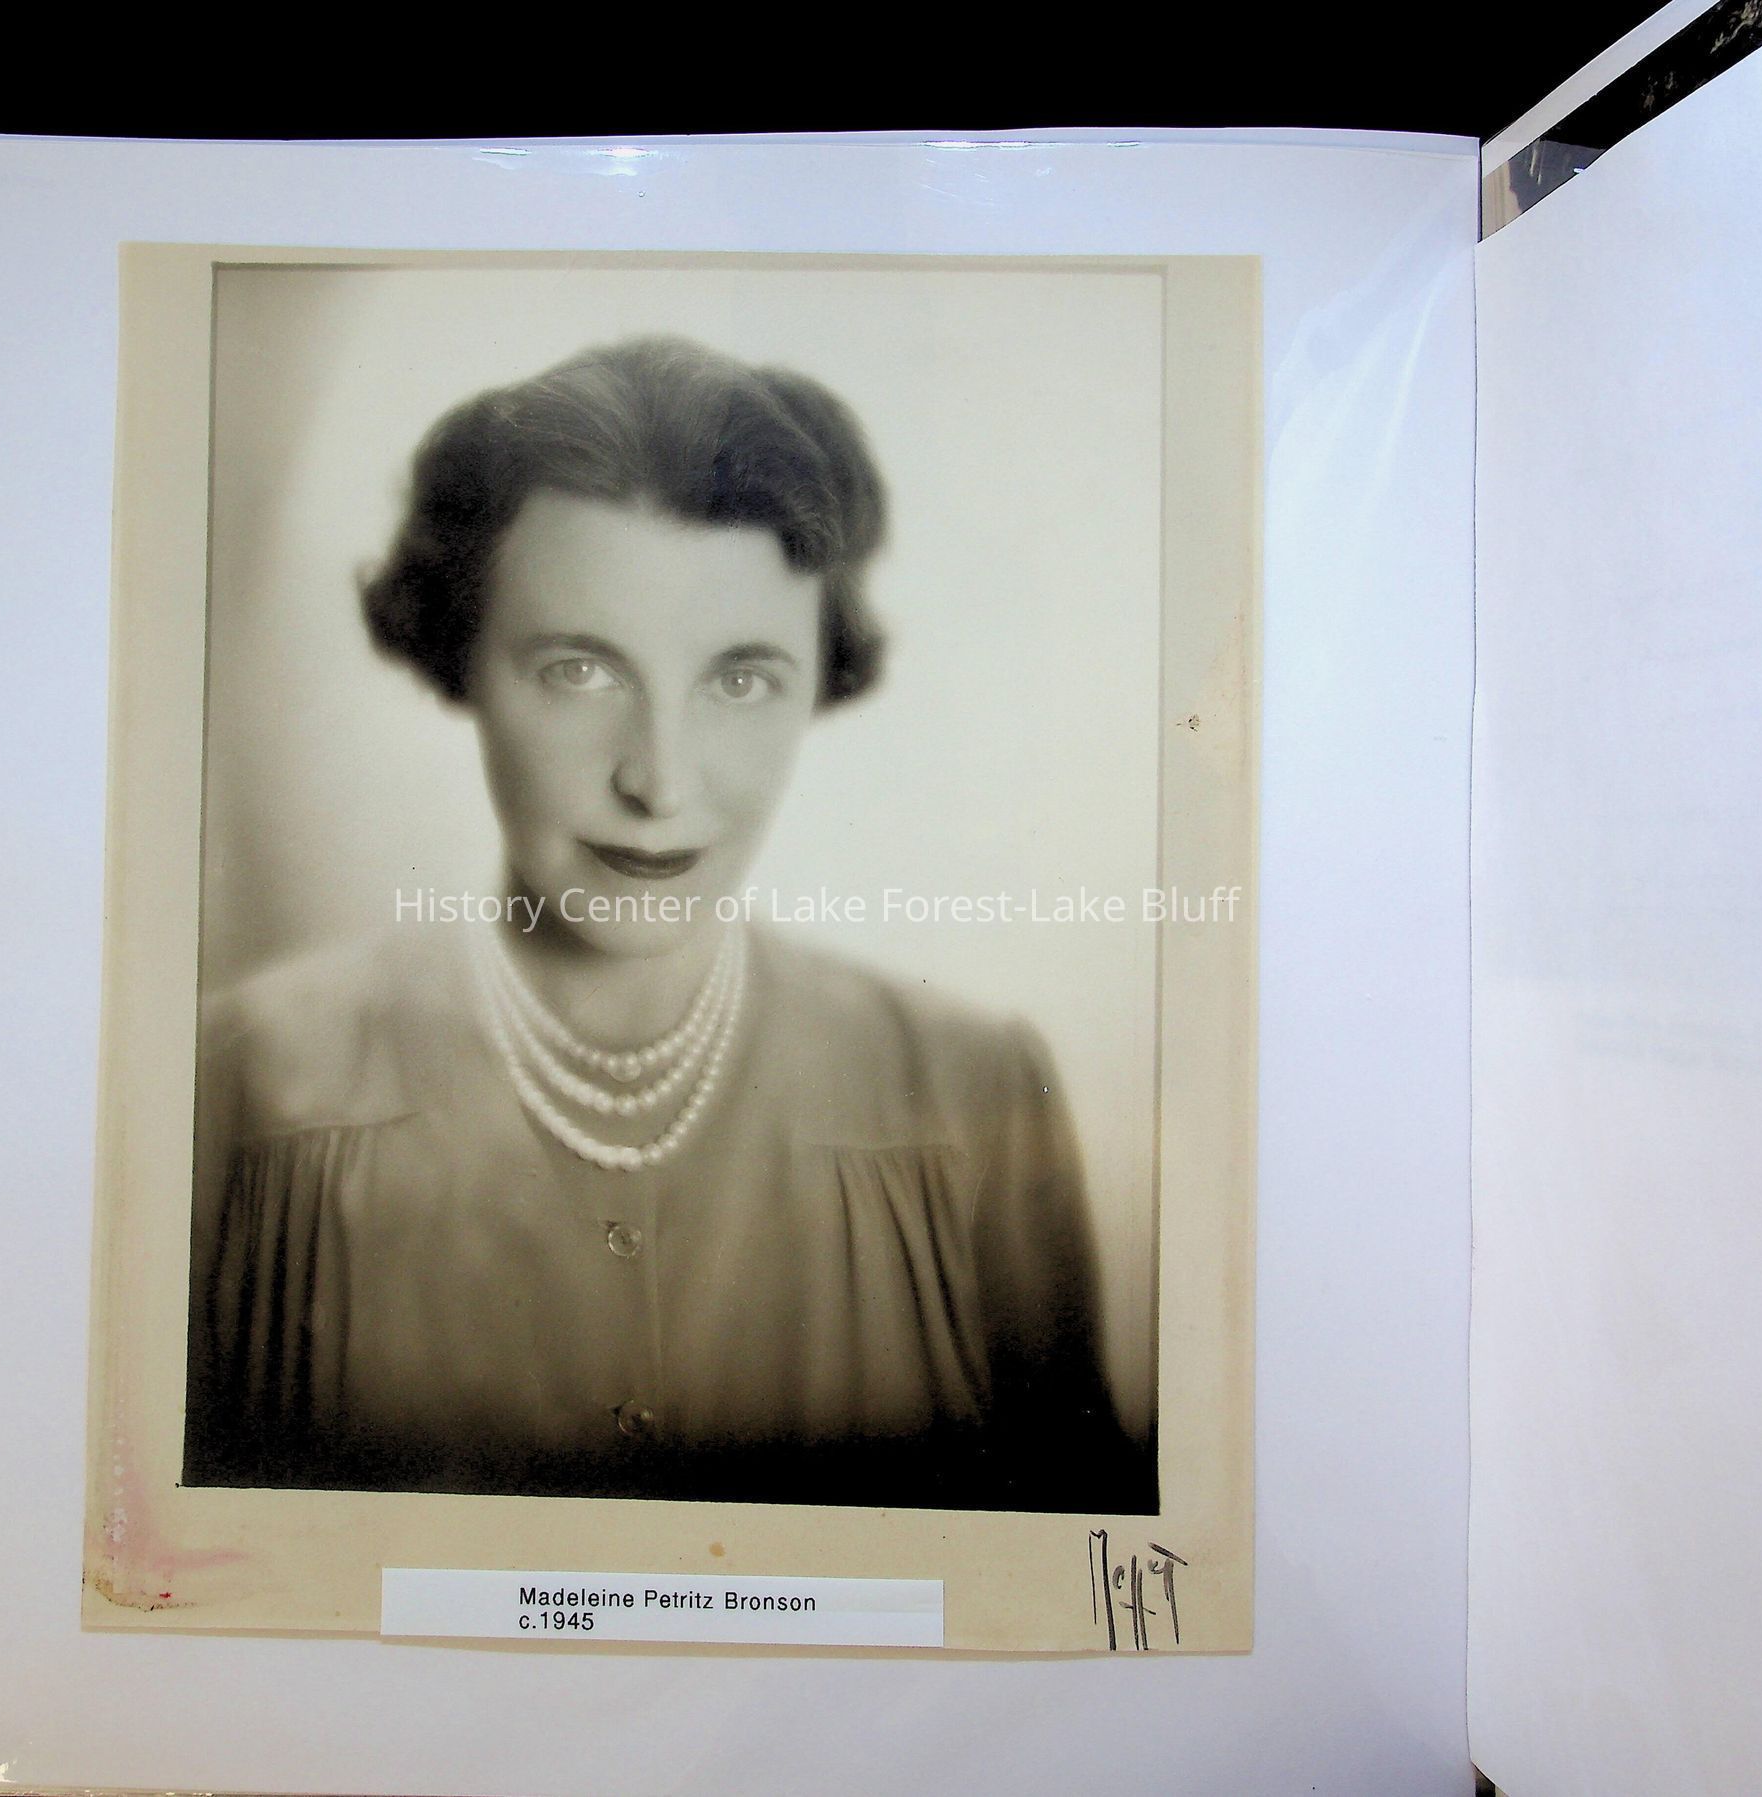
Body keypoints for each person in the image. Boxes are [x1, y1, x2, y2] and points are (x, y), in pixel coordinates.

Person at [183, 336, 1151, 1511]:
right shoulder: (235, 1090)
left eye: (741, 679)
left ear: (819, 679)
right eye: (579, 670)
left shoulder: (976, 1094)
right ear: (462, 659)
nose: (660, 781)